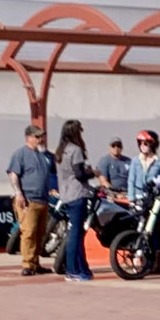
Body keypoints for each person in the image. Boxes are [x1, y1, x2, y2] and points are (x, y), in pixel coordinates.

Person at [6, 123, 58, 276]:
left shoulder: (44, 155)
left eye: (41, 136)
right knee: (28, 232)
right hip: (28, 199)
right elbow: (13, 174)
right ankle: (27, 264)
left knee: (40, 233)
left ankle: (36, 263)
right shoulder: (20, 154)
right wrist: (19, 193)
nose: (40, 139)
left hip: (43, 199)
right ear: (28, 138)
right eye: (37, 136)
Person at [54, 120, 97, 282]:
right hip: (77, 193)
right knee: (76, 234)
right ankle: (73, 269)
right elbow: (79, 174)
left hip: (65, 195)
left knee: (75, 233)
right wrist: (93, 173)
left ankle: (81, 268)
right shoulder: (76, 150)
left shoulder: (60, 151)